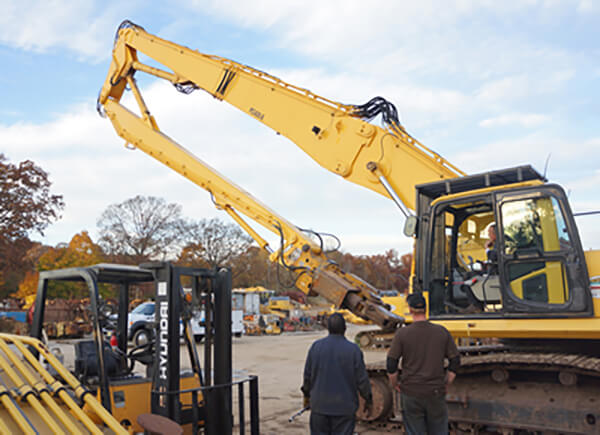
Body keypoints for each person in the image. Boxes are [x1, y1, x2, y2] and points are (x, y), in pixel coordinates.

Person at [387, 293, 460, 435]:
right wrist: (447, 382)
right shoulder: (441, 332)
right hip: (436, 391)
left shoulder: (402, 334)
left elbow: (391, 363)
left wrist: (395, 383)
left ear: (410, 309)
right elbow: (455, 360)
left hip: (411, 392)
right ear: (426, 309)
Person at [301, 313, 372, 435]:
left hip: (320, 407)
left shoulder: (316, 347)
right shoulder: (353, 350)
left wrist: (307, 396)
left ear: (328, 328)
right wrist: (368, 399)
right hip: (344, 408)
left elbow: (307, 376)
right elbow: (362, 380)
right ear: (345, 328)